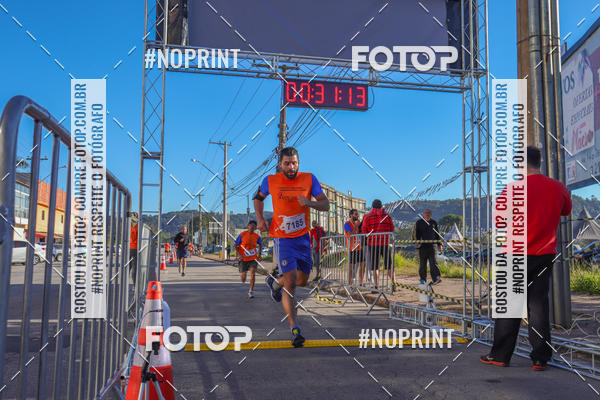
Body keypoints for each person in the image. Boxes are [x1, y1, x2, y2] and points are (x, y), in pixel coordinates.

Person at [481, 146, 572, 371]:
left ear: (519, 164)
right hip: (544, 254)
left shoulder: (512, 189)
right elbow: (566, 210)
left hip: (514, 253)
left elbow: (500, 220)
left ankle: (500, 356)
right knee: (538, 306)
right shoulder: (558, 187)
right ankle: (540, 358)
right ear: (539, 162)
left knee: (510, 307)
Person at [254, 146, 330, 347]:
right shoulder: (270, 180)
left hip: (303, 238)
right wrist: (260, 218)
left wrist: (309, 203)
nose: (291, 167)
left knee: (302, 281)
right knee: (291, 283)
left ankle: (275, 283)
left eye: (294, 163)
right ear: (280, 164)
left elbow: (326, 204)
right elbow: (258, 198)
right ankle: (295, 329)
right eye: (287, 163)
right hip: (283, 239)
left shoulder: (309, 179)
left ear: (298, 163)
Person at [361, 199, 394, 289]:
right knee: (389, 265)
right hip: (385, 243)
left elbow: (364, 230)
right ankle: (393, 284)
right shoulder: (387, 216)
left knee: (375, 266)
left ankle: (376, 286)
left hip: (373, 244)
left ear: (372, 206)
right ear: (381, 206)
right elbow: (391, 228)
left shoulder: (368, 217)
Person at [235, 220, 263, 298]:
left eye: (254, 226)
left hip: (253, 258)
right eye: (251, 226)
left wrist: (259, 254)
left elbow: (260, 244)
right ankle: (243, 276)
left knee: (253, 274)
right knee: (243, 277)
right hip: (243, 259)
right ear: (248, 226)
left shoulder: (257, 236)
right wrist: (239, 254)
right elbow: (236, 244)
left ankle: (251, 291)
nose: (252, 227)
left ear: (255, 228)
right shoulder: (242, 234)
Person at [415, 209, 443, 285]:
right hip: (422, 246)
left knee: (433, 263)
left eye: (428, 213)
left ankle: (436, 278)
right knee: (422, 264)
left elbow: (437, 235)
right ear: (423, 214)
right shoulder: (419, 222)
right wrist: (416, 242)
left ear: (431, 214)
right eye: (426, 213)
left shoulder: (434, 223)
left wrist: (440, 245)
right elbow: (416, 233)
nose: (427, 214)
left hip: (432, 246)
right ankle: (423, 279)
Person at [344, 209, 364, 286]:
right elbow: (350, 235)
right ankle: (350, 284)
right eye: (356, 214)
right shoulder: (347, 224)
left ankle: (361, 283)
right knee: (351, 268)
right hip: (351, 249)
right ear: (351, 215)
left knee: (362, 265)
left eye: (357, 214)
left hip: (359, 247)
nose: (357, 216)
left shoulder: (357, 224)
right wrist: (356, 226)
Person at [129, 212, 139, 284]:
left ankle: (125, 284)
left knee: (128, 267)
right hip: (135, 248)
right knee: (134, 267)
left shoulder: (128, 226)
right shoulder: (138, 226)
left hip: (129, 248)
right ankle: (135, 284)